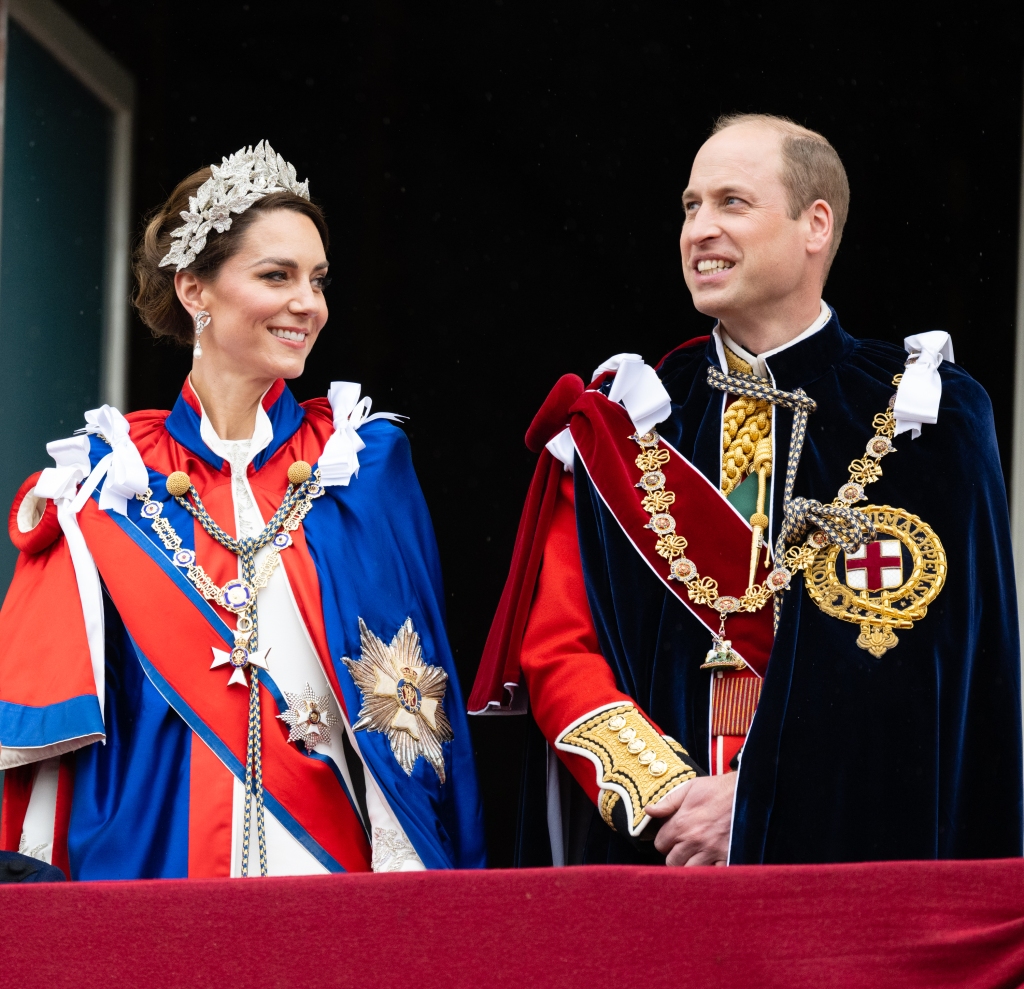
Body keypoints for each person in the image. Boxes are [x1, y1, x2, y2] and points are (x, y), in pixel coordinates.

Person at [470, 113, 1023, 866]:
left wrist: (764, 798)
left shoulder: (930, 415)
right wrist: (669, 793)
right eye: (691, 206)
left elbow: (939, 679)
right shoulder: (626, 425)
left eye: (732, 203)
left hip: (848, 859)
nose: (700, 229)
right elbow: (558, 649)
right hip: (659, 857)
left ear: (815, 224)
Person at [0, 141, 485, 879]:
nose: (307, 303)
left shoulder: (361, 460)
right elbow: (51, 727)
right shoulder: (110, 479)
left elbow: (422, 713)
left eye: (317, 280)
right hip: (154, 863)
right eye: (276, 276)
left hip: (329, 866)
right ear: (194, 290)